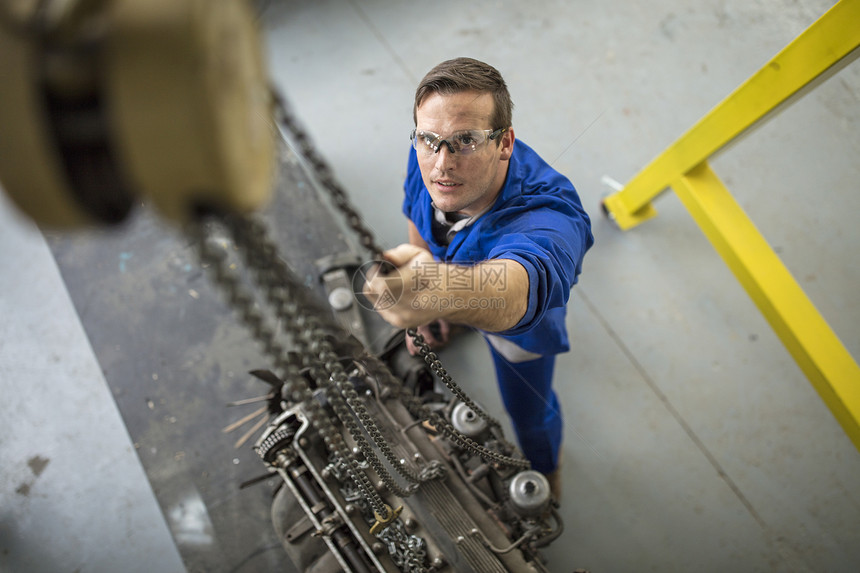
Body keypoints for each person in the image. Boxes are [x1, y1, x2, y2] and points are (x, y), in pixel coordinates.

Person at [364, 57, 593, 498]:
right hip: (450, 293)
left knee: (529, 411)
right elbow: (418, 221)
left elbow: (517, 289)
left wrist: (437, 294)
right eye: (429, 139)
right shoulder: (428, 158)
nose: (441, 164)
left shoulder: (550, 214)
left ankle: (547, 471)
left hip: (517, 332)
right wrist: (426, 297)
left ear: (504, 143)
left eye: (465, 141)